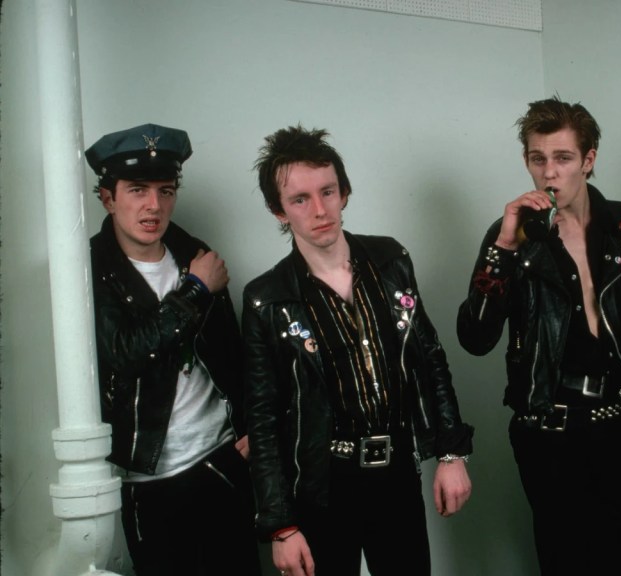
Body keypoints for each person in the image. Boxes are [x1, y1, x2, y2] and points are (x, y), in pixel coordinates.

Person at [456, 96, 621, 575]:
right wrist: (504, 246)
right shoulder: (512, 237)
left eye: (563, 158)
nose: (549, 173)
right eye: (537, 159)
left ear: (588, 160)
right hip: (549, 437)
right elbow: (475, 338)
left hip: (617, 424)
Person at [243, 125, 474, 576]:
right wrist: (280, 526)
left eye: (327, 191)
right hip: (323, 481)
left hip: (396, 470)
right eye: (300, 199)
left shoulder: (390, 261)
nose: (319, 210)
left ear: (344, 192)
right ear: (278, 211)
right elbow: (263, 420)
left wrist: (452, 454)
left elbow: (430, 357)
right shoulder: (266, 298)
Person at [86, 123, 260, 576]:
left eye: (165, 191)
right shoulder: (92, 269)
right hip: (150, 478)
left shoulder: (195, 254)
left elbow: (233, 352)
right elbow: (126, 353)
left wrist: (251, 429)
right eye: (137, 190)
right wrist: (196, 290)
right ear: (107, 198)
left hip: (223, 460)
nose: (153, 206)